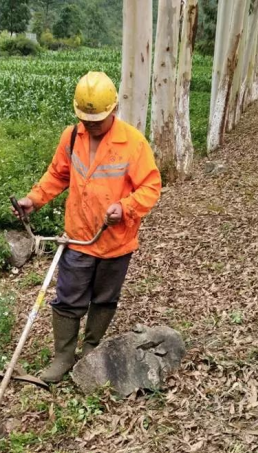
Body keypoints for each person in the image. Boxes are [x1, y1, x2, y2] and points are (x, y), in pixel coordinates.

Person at [13, 72, 162, 383]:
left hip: (115, 240)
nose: (91, 124)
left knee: (105, 297)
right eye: (86, 117)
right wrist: (33, 200)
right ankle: (64, 356)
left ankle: (92, 349)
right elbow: (57, 175)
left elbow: (151, 187)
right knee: (68, 297)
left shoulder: (132, 143)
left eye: (98, 118)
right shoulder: (71, 137)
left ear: (114, 110)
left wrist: (125, 207)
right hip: (79, 237)